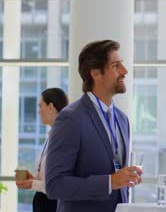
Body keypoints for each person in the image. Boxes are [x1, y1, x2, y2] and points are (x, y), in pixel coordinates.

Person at [45, 40, 143, 212]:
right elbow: (55, 185)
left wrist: (125, 178)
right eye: (115, 66)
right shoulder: (70, 119)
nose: (124, 71)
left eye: (122, 65)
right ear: (96, 73)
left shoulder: (122, 119)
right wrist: (110, 182)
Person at [16, 88, 69, 212]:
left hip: (53, 204)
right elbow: (48, 178)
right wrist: (33, 179)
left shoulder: (64, 138)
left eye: (40, 106)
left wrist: (33, 184)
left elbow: (60, 185)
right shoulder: (51, 136)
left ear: (50, 107)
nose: (38, 112)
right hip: (42, 202)